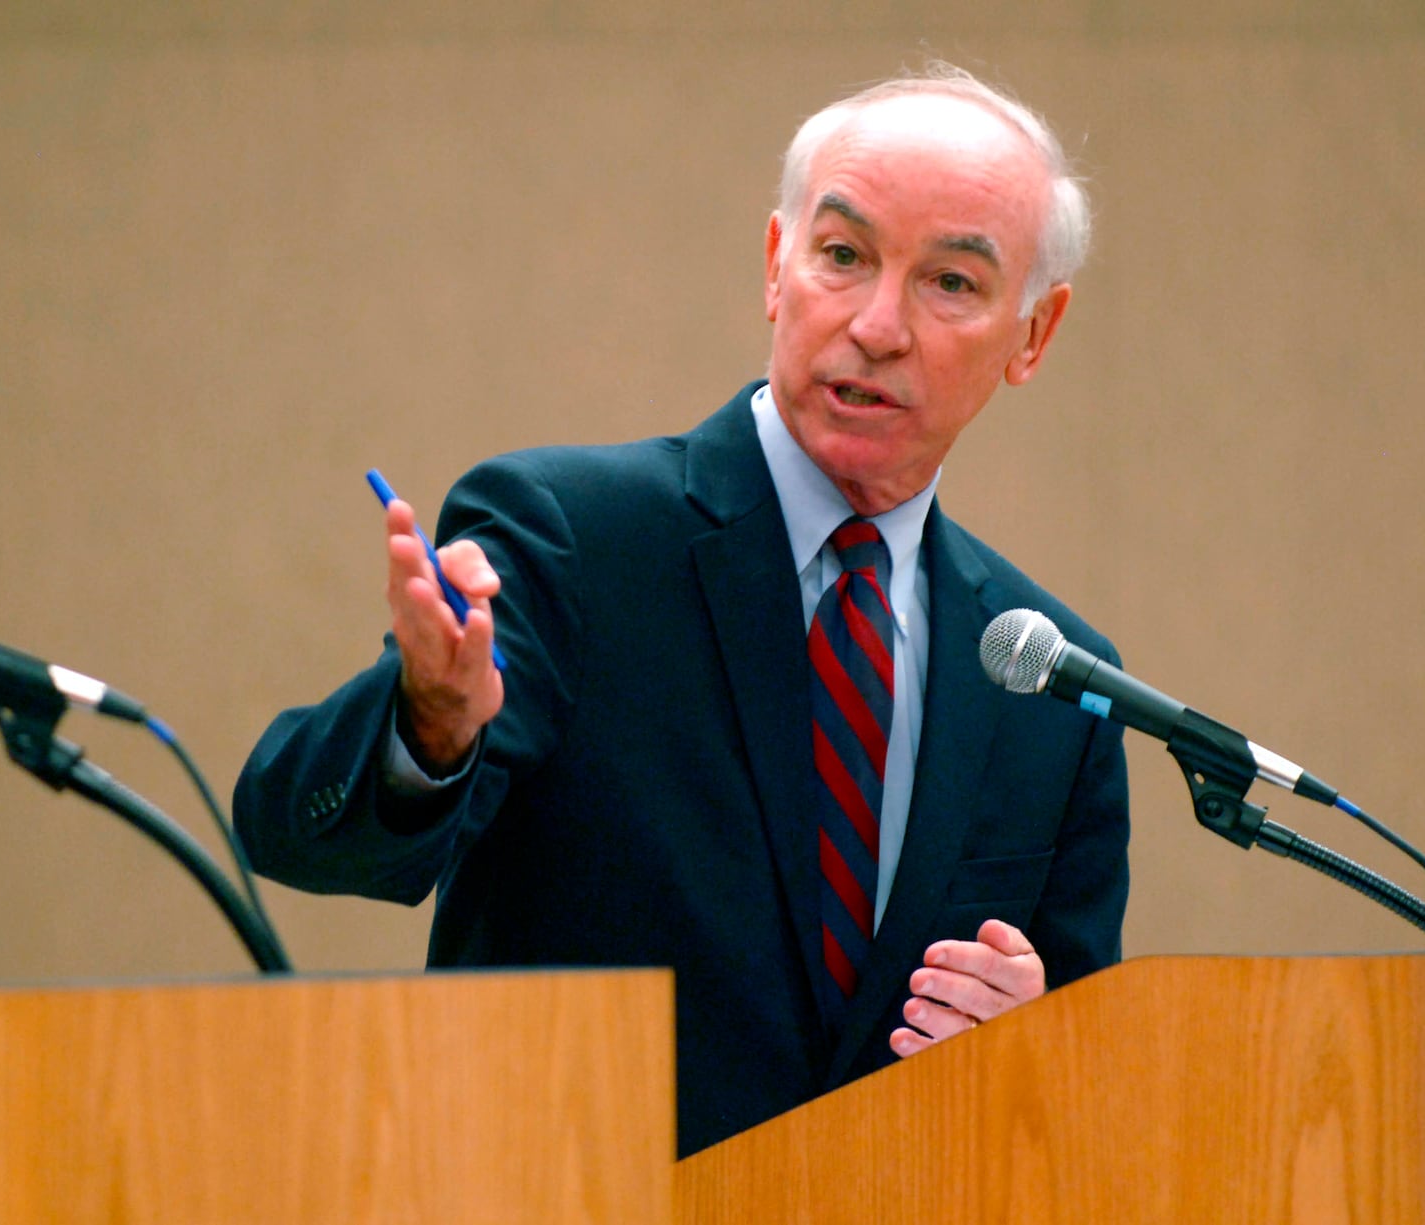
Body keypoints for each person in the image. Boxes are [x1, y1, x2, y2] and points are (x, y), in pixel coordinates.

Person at [234, 63, 1130, 1158]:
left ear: (1032, 336)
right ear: (774, 265)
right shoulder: (574, 536)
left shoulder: (1050, 677)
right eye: (842, 256)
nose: (877, 324)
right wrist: (429, 720)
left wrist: (1033, 1042)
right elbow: (301, 838)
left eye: (949, 282)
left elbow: (1082, 1106)